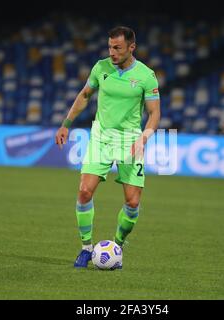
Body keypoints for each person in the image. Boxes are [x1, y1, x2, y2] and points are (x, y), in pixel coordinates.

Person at [55, 26, 161, 268]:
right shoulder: (101, 67)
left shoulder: (146, 75)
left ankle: (118, 245)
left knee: (133, 203)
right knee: (84, 191)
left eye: (117, 48)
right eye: (110, 47)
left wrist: (144, 137)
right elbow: (84, 95)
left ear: (131, 48)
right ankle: (85, 248)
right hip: (101, 137)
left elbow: (155, 113)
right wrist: (66, 124)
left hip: (130, 140)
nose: (112, 52)